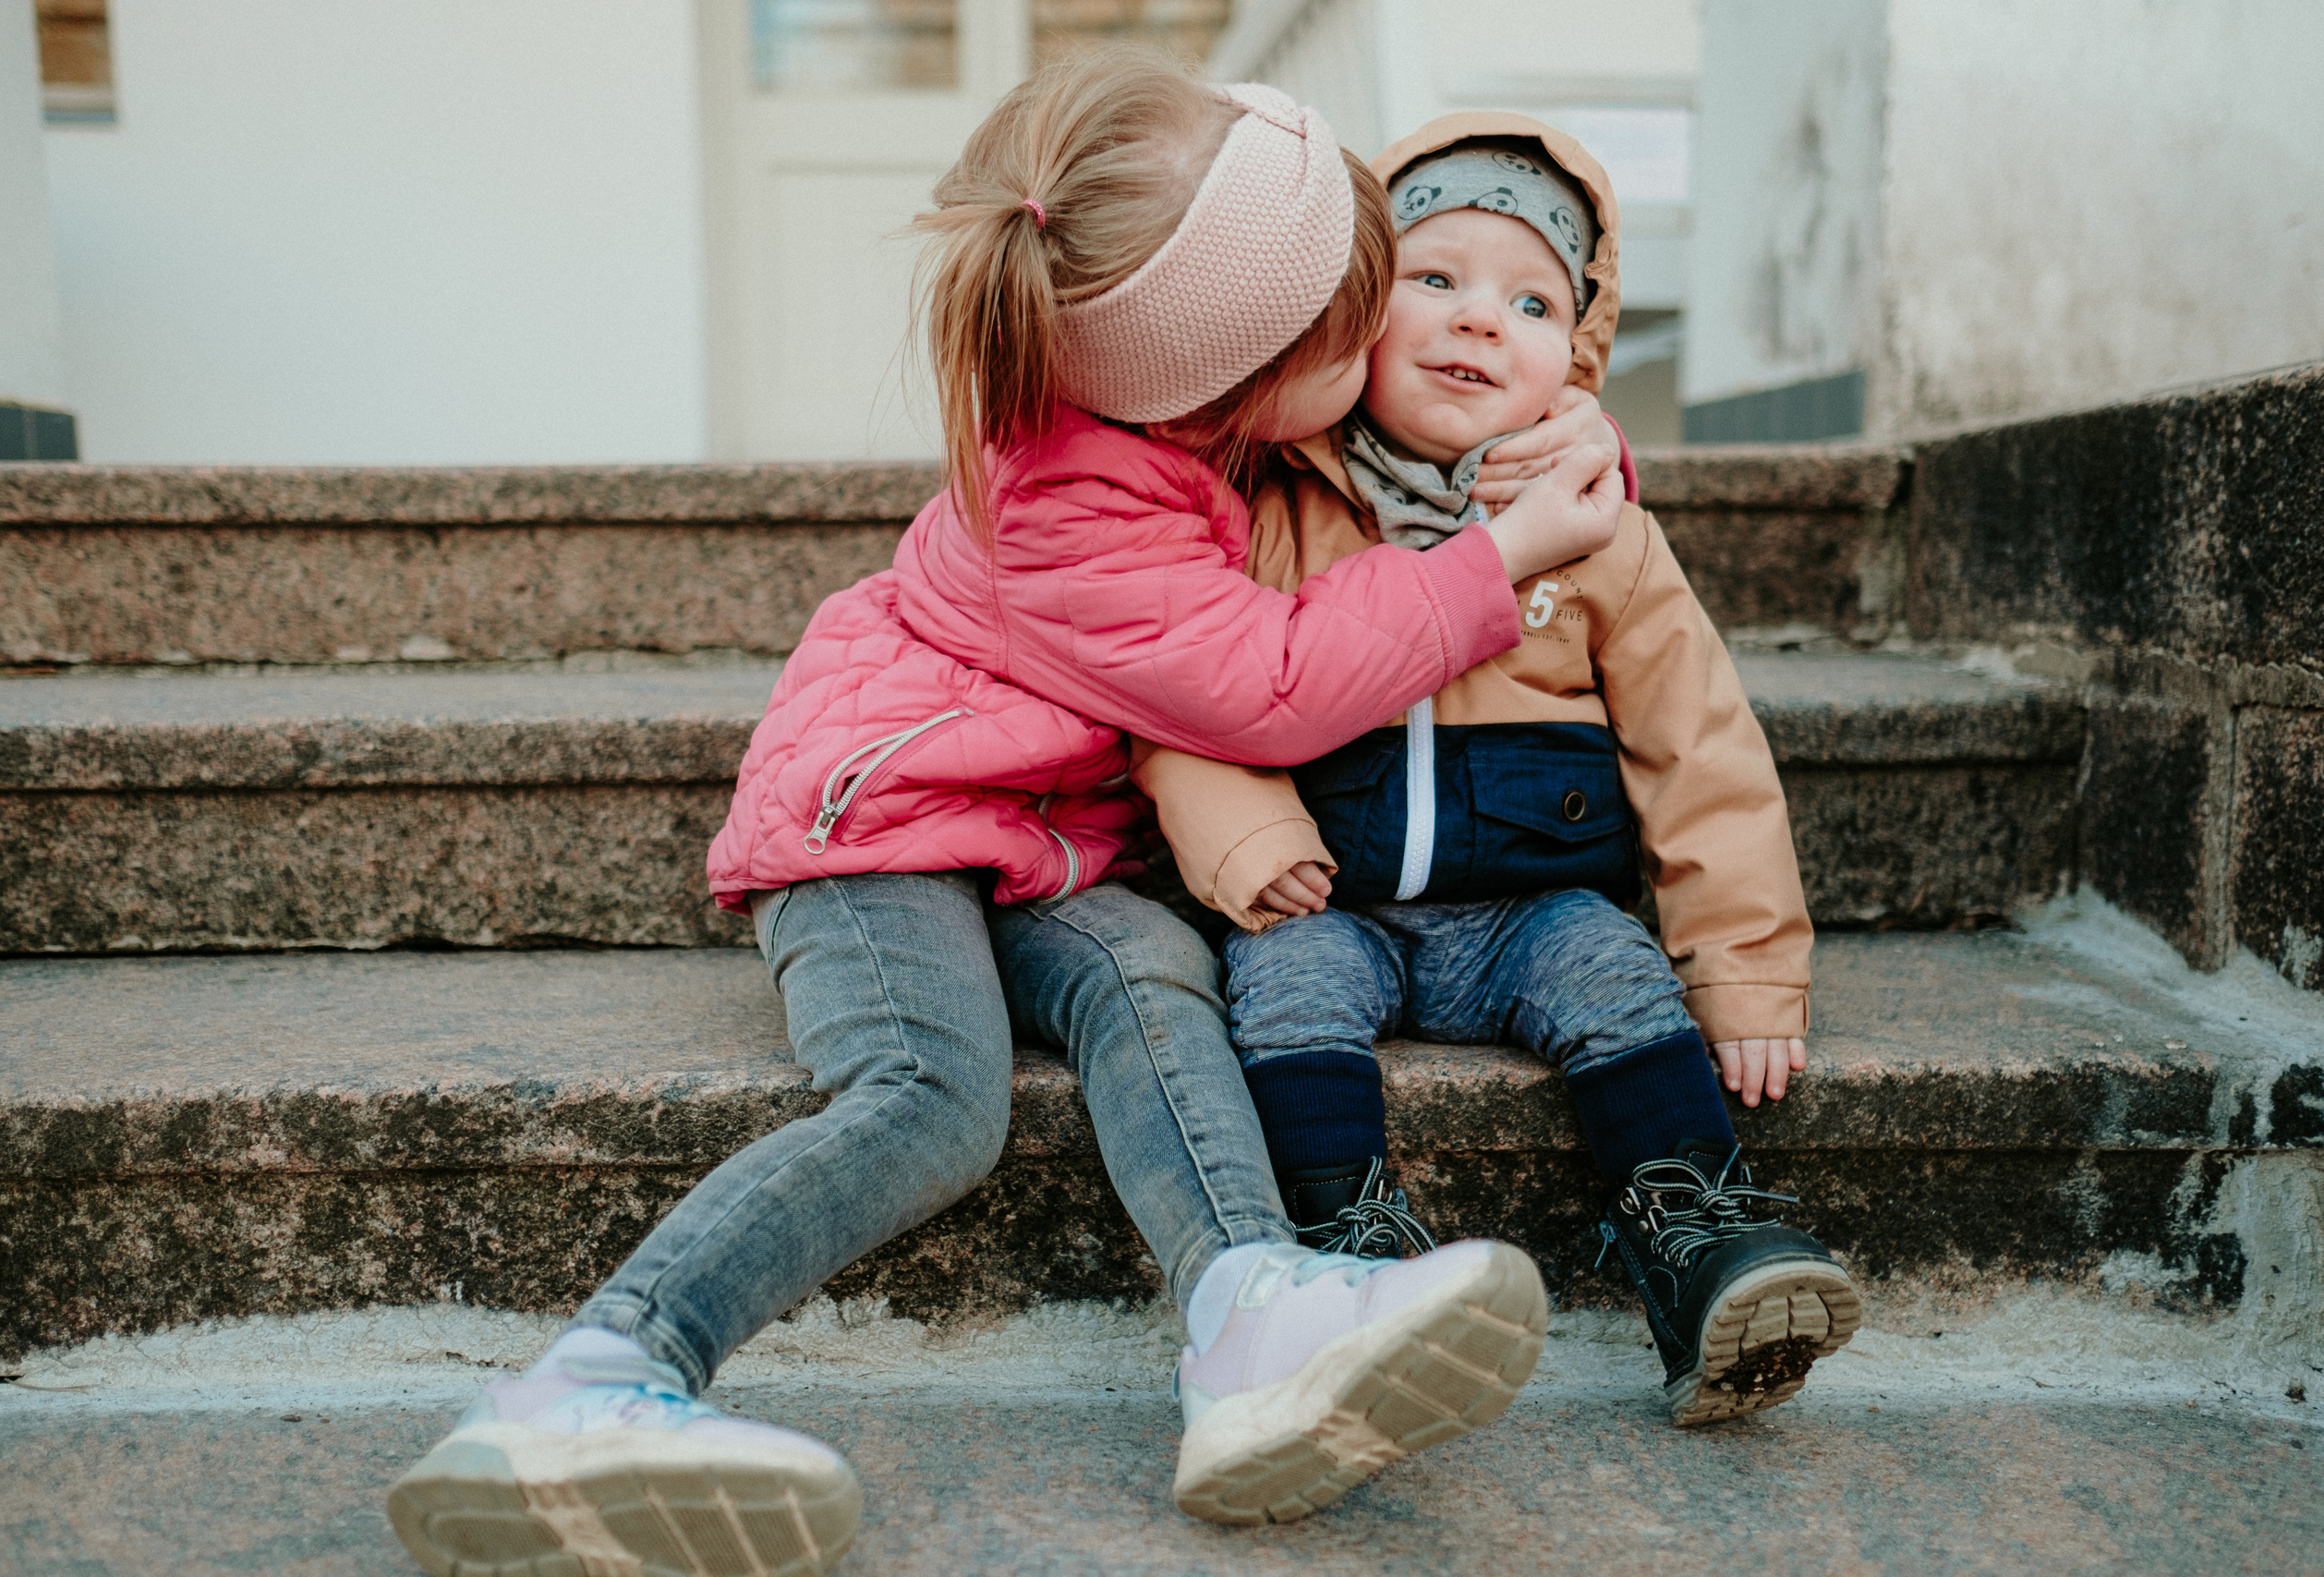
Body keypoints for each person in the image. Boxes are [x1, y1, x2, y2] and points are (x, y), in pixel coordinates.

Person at [386, 59, 1629, 1574]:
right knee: (933, 1098)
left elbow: (1417, 423)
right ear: (1241, 388)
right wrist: (1499, 563)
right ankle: (597, 1379)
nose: (1396, 325)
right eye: (1363, 303)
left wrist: (1559, 439)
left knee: (1154, 982)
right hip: (883, 826)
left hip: (1036, 833)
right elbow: (1271, 682)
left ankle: (1254, 1319)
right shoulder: (1068, 500)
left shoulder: (1179, 396)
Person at [1133, 112, 1863, 1430]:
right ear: (1354, 305)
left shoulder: (1600, 535)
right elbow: (1182, 689)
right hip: (1329, 900)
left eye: (1531, 300)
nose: (1481, 321)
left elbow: (1699, 751)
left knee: (1613, 971)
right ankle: (1353, 1261)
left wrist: (1745, 969)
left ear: (1575, 353)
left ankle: (1698, 1244)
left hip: (1528, 911)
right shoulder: (1269, 503)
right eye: (1436, 278)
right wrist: (1243, 841)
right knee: (1279, 984)